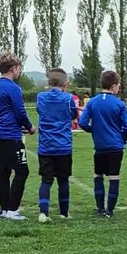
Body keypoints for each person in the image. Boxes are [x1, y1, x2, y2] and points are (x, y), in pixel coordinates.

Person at [78, 70, 127, 217]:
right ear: (114, 86)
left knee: (98, 176)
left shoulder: (92, 102)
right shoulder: (119, 104)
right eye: (119, 86)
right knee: (114, 177)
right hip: (115, 146)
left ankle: (100, 208)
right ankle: (110, 210)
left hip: (100, 147)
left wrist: (94, 130)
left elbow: (82, 122)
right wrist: (120, 135)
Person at [0, 53, 36, 221]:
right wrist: (30, 127)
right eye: (19, 68)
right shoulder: (13, 87)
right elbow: (20, 112)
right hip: (10, 136)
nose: (20, 71)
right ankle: (12, 210)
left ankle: (4, 209)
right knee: (22, 171)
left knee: (3, 171)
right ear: (13, 68)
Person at [35, 68, 77, 223]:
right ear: (65, 83)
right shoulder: (68, 99)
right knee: (63, 180)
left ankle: (43, 212)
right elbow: (73, 115)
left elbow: (40, 111)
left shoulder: (40, 97)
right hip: (63, 146)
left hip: (45, 146)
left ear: (48, 82)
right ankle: (64, 213)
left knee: (46, 180)